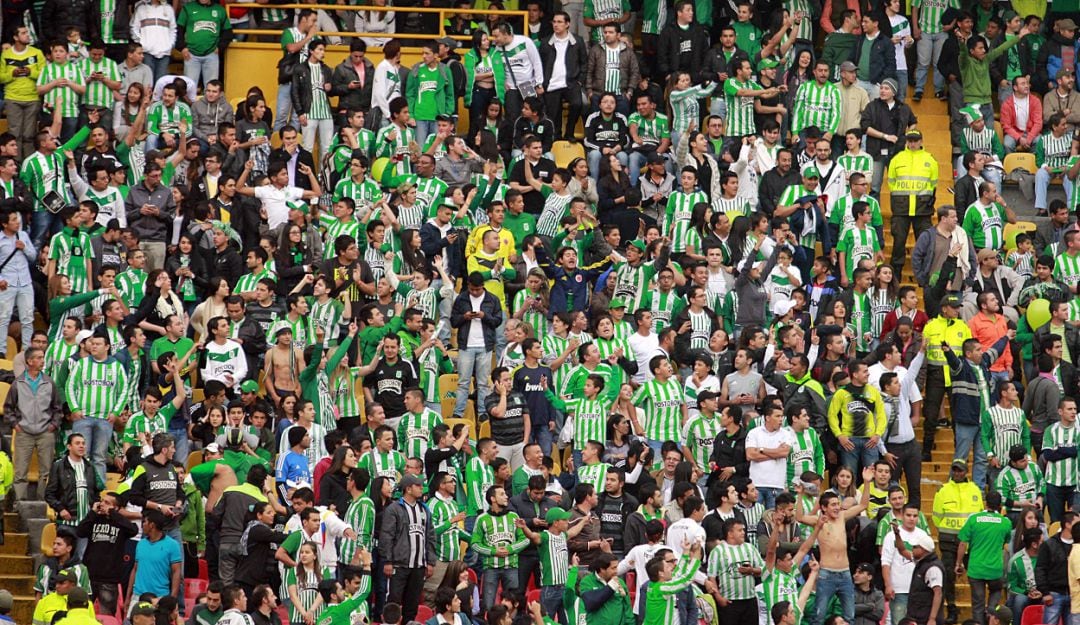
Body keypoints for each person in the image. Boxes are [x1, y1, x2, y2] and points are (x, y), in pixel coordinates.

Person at [379, 474, 436, 623]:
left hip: (418, 566)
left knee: (412, 605)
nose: (422, 488)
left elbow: (430, 536)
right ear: (408, 489)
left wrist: (430, 562)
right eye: (418, 486)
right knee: (394, 603)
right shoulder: (394, 509)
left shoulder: (424, 509)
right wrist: (388, 560)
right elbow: (387, 536)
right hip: (399, 565)